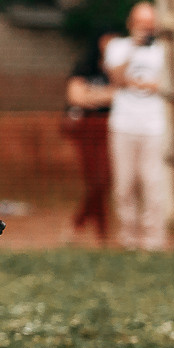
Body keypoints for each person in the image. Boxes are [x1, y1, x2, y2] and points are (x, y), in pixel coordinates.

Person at [104, 2, 168, 251]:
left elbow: (165, 85)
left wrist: (143, 84)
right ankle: (128, 239)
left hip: (154, 126)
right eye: (142, 24)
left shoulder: (164, 50)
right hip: (123, 124)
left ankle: (154, 241)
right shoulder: (117, 47)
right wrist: (134, 48)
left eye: (150, 24)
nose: (146, 29)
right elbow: (117, 79)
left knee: (152, 183)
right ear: (131, 24)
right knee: (124, 184)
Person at [62, 31, 118, 243]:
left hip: (111, 128)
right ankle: (99, 232)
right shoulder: (85, 66)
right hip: (87, 130)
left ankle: (81, 225)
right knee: (95, 181)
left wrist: (92, 95)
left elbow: (120, 94)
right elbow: (76, 97)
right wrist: (107, 95)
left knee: (103, 180)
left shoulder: (118, 69)